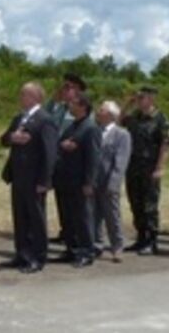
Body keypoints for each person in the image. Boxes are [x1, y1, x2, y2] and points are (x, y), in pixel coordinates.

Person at [0, 82, 58, 273]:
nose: (20, 98)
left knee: (36, 218)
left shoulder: (45, 120)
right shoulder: (19, 119)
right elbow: (3, 139)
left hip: (35, 178)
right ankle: (22, 254)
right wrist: (12, 137)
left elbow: (50, 153)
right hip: (18, 176)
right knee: (20, 216)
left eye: (24, 94)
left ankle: (38, 257)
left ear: (35, 97)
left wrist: (45, 181)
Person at [51, 92, 101, 268]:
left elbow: (94, 158)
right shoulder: (72, 126)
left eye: (73, 103)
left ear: (83, 107)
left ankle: (87, 251)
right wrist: (63, 145)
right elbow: (59, 144)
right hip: (65, 180)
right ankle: (71, 249)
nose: (69, 106)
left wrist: (90, 182)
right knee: (68, 217)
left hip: (80, 181)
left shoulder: (91, 128)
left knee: (83, 218)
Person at [122, 86, 169, 255]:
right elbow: (119, 119)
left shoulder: (160, 119)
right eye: (138, 97)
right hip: (133, 166)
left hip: (150, 167)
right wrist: (127, 103)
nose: (139, 100)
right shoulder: (135, 117)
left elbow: (165, 146)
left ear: (151, 99)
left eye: (142, 97)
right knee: (135, 203)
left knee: (149, 206)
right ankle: (140, 237)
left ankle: (151, 241)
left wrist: (160, 168)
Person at [45, 73, 86, 244]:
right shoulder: (60, 108)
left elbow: (86, 133)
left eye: (68, 87)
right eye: (64, 87)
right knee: (61, 199)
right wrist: (55, 99)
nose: (64, 90)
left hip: (73, 162)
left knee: (74, 203)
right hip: (58, 161)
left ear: (77, 90)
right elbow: (46, 118)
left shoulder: (82, 109)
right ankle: (66, 231)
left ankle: (77, 236)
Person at [93, 100, 131, 262]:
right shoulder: (95, 131)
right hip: (93, 180)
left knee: (112, 215)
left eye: (101, 110)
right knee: (94, 215)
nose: (98, 112)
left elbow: (121, 161)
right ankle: (96, 245)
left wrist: (113, 183)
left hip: (109, 181)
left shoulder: (122, 134)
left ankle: (117, 246)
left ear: (110, 115)